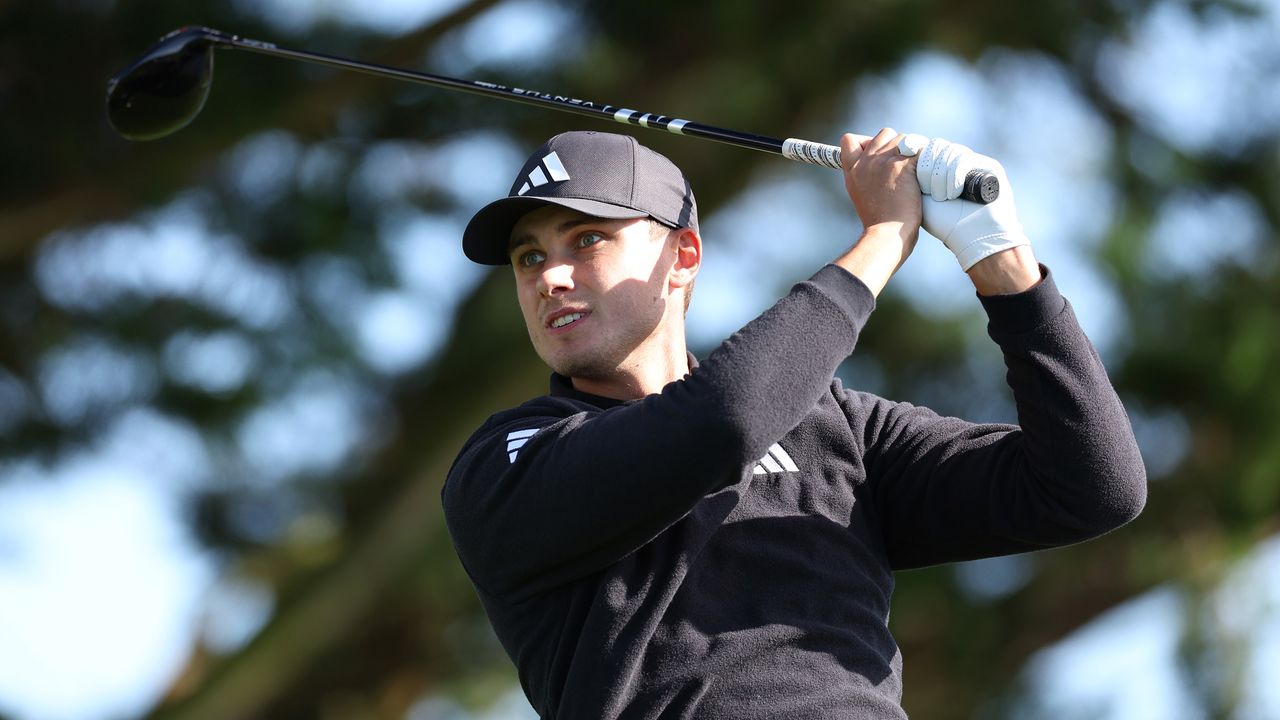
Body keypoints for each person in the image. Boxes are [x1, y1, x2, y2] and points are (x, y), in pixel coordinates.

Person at [441, 128, 1146, 719]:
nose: (549, 277)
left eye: (586, 240)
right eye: (529, 257)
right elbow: (724, 420)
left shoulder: (832, 424)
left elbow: (1091, 487)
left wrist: (1004, 265)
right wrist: (883, 240)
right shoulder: (506, 461)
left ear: (681, 256)